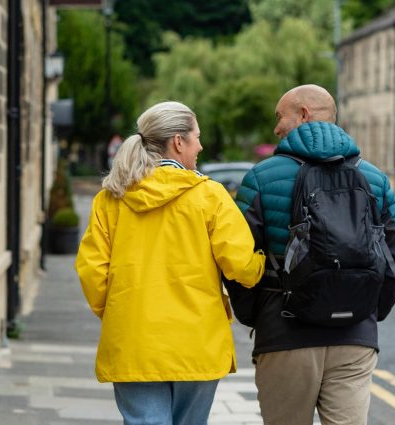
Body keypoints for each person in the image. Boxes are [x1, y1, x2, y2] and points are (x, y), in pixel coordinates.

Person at [228, 85, 395, 425]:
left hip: (284, 334)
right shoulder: (373, 178)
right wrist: (365, 310)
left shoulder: (261, 177)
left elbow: (238, 262)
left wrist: (260, 316)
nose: (276, 128)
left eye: (279, 116)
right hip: (355, 339)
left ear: (303, 115)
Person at [76, 101, 267, 425]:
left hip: (133, 339)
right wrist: (262, 263)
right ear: (178, 142)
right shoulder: (209, 196)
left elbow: (92, 271)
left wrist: (120, 311)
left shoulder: (110, 199)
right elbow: (240, 266)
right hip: (197, 341)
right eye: (197, 137)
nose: (201, 146)